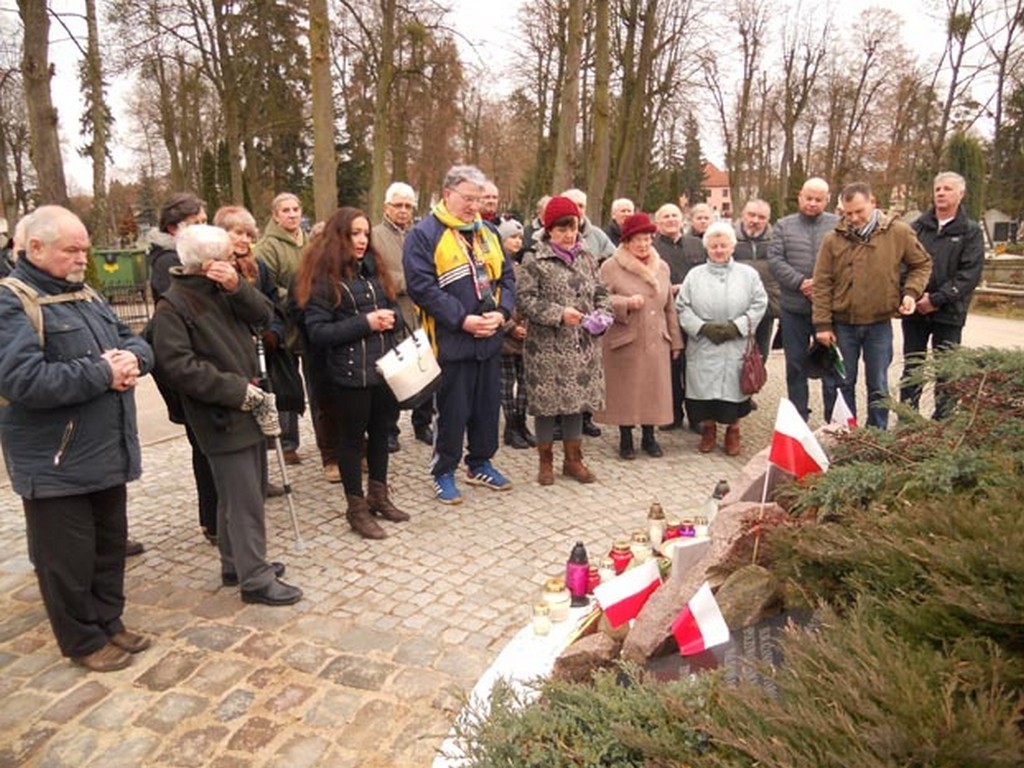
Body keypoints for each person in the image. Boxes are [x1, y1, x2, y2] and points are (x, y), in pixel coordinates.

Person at [0, 205, 154, 672]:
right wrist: (102, 372)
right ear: (36, 248)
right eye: (72, 249)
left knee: (109, 547)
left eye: (84, 249)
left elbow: (138, 341)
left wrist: (131, 363)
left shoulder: (87, 295)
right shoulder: (11, 303)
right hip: (55, 462)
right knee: (66, 561)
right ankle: (82, 639)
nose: (82, 258)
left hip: (107, 448)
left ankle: (109, 620)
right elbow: (22, 380)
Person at [150, 224, 302, 606]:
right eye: (228, 257)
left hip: (248, 404)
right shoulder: (174, 305)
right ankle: (255, 578)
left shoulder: (225, 290)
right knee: (245, 498)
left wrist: (239, 286)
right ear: (208, 262)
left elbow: (264, 316)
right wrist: (235, 391)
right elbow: (178, 367)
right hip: (222, 412)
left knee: (238, 493)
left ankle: (236, 563)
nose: (235, 262)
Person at [403, 164, 516, 504]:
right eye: (468, 199)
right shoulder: (424, 234)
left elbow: (507, 279)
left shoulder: (488, 232)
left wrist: (503, 312)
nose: (474, 206)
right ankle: (443, 471)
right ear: (448, 194)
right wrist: (462, 319)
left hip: (490, 339)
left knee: (486, 408)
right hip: (451, 341)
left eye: (478, 200)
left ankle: (480, 462)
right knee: (452, 411)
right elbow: (421, 288)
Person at [296, 207, 409, 539]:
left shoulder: (374, 271)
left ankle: (379, 496)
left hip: (384, 369)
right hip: (349, 376)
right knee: (351, 442)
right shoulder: (322, 279)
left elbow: (396, 314)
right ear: (338, 237)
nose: (361, 240)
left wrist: (391, 318)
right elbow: (318, 333)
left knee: (381, 436)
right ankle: (356, 509)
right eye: (354, 234)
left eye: (364, 234)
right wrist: (366, 323)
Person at [812, 182, 932, 430]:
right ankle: (845, 433)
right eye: (848, 213)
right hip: (843, 325)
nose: (853, 218)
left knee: (878, 383)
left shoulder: (898, 233)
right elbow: (822, 284)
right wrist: (822, 325)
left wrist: (910, 293)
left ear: (873, 203)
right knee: (843, 382)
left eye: (859, 211)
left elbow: (921, 264)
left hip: (879, 324)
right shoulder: (832, 240)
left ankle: (877, 435)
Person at [517, 195, 610, 484]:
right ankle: (546, 462)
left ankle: (574, 459)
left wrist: (604, 314)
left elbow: (601, 292)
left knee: (576, 403)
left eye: (572, 228)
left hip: (582, 346)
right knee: (547, 405)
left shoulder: (587, 257)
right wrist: (558, 313)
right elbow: (524, 301)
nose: (568, 235)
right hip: (546, 347)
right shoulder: (535, 259)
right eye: (561, 229)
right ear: (549, 230)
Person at [213, 206, 293, 496]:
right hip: (233, 354)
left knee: (263, 412)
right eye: (237, 232)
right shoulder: (215, 267)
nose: (244, 239)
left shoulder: (256, 267)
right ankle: (247, 482)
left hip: (262, 350)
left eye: (248, 234)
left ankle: (262, 477)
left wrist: (274, 332)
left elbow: (273, 305)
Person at [595, 213, 683, 459]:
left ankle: (649, 436)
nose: (643, 245)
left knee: (653, 391)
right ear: (626, 242)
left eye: (647, 239)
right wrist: (624, 303)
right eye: (638, 240)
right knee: (627, 391)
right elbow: (599, 300)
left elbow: (669, 307)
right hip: (626, 338)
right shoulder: (611, 266)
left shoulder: (662, 267)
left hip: (656, 339)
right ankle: (625, 438)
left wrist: (675, 340)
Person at [676, 221, 767, 456]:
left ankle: (733, 431)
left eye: (723, 245)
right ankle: (708, 430)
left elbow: (759, 303)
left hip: (735, 344)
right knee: (705, 392)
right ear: (707, 248)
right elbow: (682, 307)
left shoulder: (748, 275)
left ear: (732, 247)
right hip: (704, 343)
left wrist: (736, 327)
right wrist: (702, 328)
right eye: (714, 245)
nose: (718, 250)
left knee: (734, 390)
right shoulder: (694, 276)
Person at [900, 172, 984, 419]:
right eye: (938, 189)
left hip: (949, 313)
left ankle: (943, 423)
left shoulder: (970, 232)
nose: (941, 193)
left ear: (961, 194)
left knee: (946, 371)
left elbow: (969, 274)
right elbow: (904, 264)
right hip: (915, 310)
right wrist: (912, 295)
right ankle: (907, 419)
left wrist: (936, 299)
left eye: (948, 189)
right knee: (912, 366)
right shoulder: (917, 228)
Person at [768, 177, 840, 423]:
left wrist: (820, 286)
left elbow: (845, 261)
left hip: (829, 310)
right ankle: (799, 419)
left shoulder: (838, 225)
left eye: (818, 200)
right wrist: (800, 282)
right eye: (808, 198)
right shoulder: (783, 226)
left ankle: (833, 421)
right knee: (795, 365)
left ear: (827, 200)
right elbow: (776, 260)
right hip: (794, 307)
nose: (812, 204)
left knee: (831, 365)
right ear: (800, 197)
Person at [373, 181, 434, 450]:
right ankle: (389, 429)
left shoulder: (420, 235)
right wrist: (410, 281)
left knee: (426, 368)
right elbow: (376, 273)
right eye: (398, 205)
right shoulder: (375, 236)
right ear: (387, 207)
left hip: (423, 312)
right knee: (392, 372)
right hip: (393, 310)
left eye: (408, 206)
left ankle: (423, 423)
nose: (403, 210)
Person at [254, 192, 308, 464]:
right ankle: (287, 443)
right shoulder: (267, 248)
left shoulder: (308, 241)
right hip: (285, 324)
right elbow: (268, 287)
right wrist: (301, 297)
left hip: (310, 323)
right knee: (286, 382)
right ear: (275, 215)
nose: (292, 214)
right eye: (285, 210)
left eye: (296, 209)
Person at [654, 202, 707, 430]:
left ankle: (697, 416)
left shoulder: (698, 244)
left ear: (682, 220)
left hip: (697, 312)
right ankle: (673, 413)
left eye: (674, 215)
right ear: (658, 223)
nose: (671, 220)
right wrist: (669, 289)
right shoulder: (653, 248)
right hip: (666, 312)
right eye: (665, 216)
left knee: (694, 366)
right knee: (671, 366)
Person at [497, 218, 535, 450]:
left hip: (524, 334)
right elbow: (494, 301)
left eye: (520, 238)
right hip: (505, 335)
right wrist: (511, 326)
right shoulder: (497, 268)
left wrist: (527, 326)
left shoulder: (521, 268)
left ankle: (521, 423)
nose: (517, 242)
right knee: (506, 382)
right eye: (512, 237)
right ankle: (510, 425)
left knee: (525, 382)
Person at [733, 199, 777, 363]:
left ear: (768, 220)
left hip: (766, 305)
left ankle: (755, 380)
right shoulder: (730, 239)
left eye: (761, 217)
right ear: (742, 215)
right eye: (751, 215)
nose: (755, 221)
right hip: (736, 305)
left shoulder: (777, 241)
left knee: (761, 350)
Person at [147, 192, 207, 302]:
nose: (203, 228)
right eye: (195, 224)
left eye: (204, 222)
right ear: (173, 228)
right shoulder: (168, 261)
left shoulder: (194, 253)